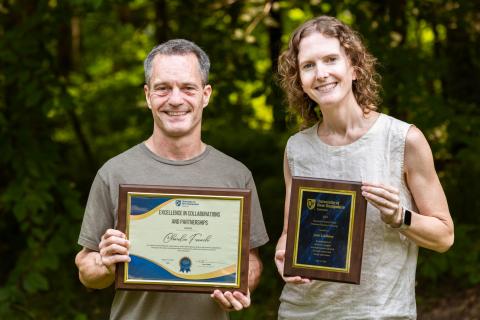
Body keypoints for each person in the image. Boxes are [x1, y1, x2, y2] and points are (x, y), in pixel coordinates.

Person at [75, 39, 269, 320]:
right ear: (147, 95)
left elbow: (251, 261)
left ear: (206, 94)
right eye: (163, 88)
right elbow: (86, 269)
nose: (175, 99)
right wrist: (104, 264)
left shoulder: (236, 176)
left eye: (188, 88)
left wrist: (240, 286)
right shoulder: (114, 172)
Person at [274, 16, 454, 319]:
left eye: (331, 59)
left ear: (354, 68)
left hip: (379, 312)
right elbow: (290, 233)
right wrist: (284, 255)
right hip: (301, 311)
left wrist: (401, 217)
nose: (321, 74)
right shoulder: (297, 148)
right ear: (300, 81)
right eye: (308, 65)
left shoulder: (402, 139)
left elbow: (444, 236)